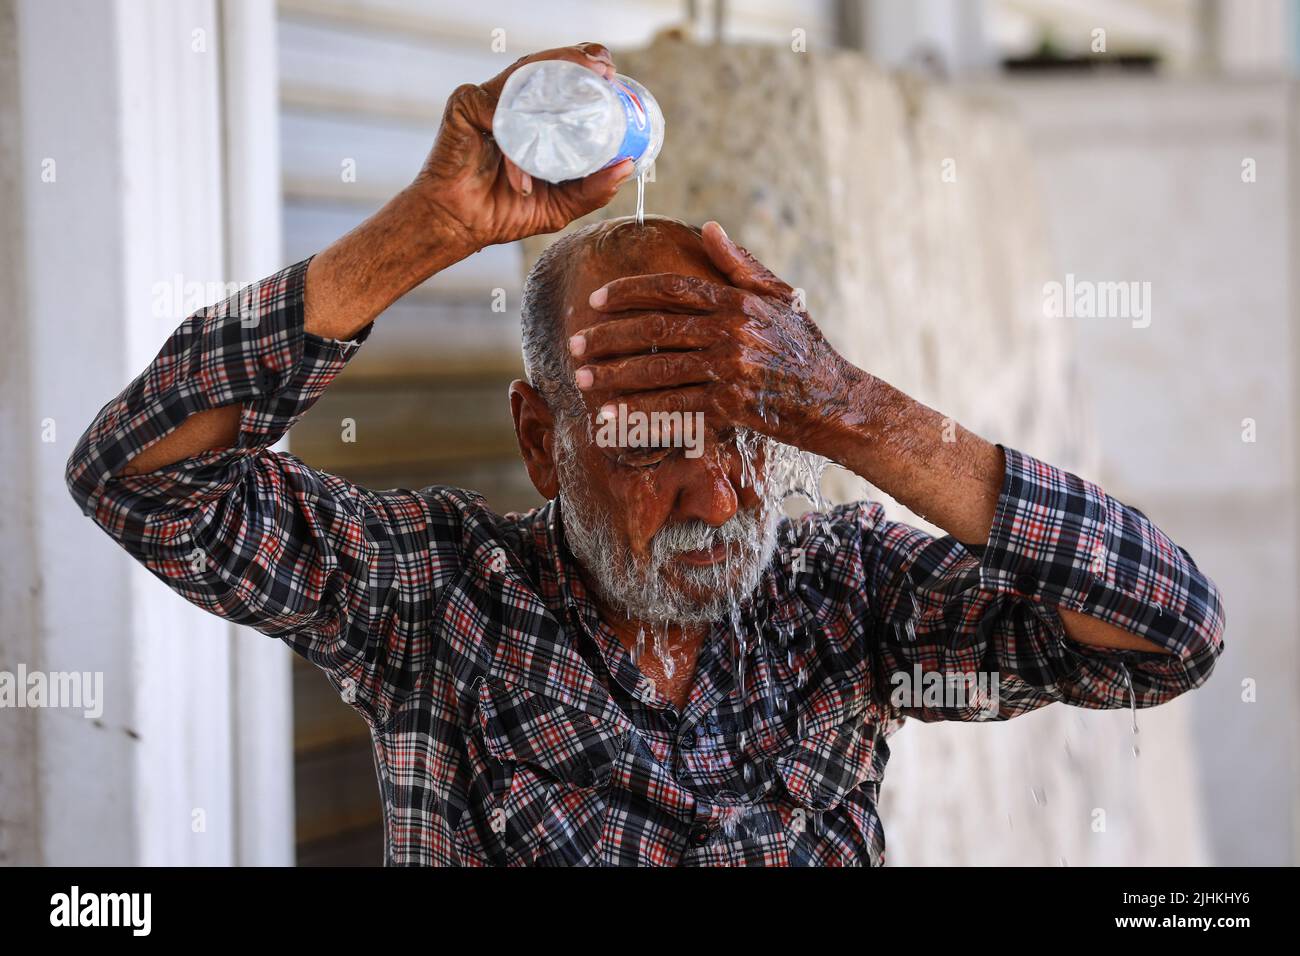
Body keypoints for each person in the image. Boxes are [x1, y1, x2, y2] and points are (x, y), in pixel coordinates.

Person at [66, 43, 1224, 866]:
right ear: (543, 442)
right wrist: (431, 227)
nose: (717, 491)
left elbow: (1166, 634)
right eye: (651, 442)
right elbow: (142, 478)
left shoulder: (844, 595)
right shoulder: (437, 599)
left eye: (749, 427)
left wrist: (851, 409)